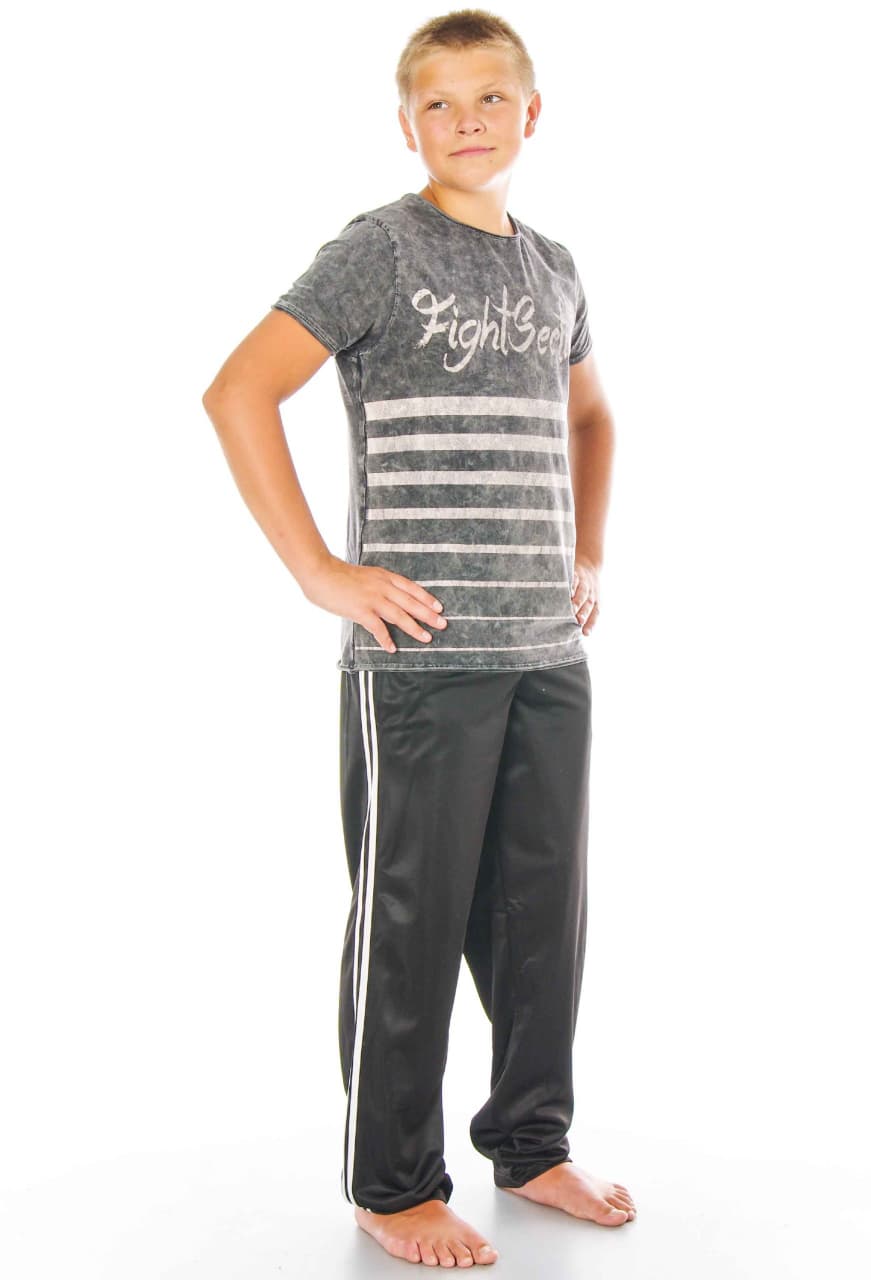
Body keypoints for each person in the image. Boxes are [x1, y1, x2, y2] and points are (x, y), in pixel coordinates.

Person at [202, 7, 633, 1268]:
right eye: (437, 103)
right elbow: (238, 389)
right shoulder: (378, 250)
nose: (465, 121)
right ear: (406, 126)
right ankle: (391, 1183)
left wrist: (587, 554)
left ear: (531, 112)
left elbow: (593, 418)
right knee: (411, 919)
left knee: (540, 916)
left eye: (489, 97)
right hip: (421, 660)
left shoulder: (554, 267)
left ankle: (531, 1141)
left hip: (545, 649)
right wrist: (319, 571)